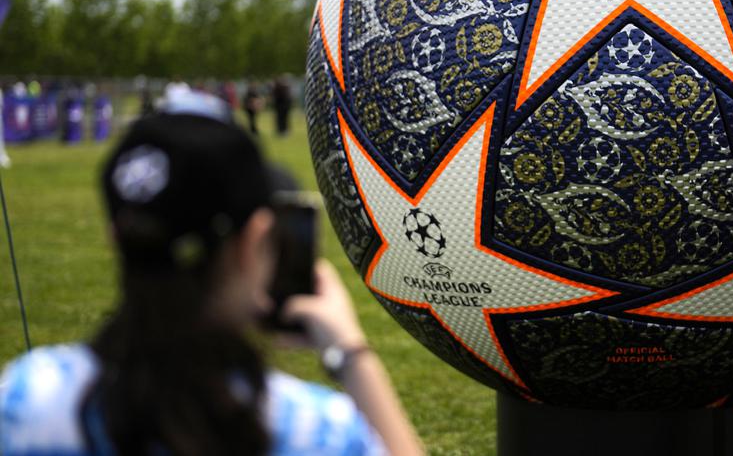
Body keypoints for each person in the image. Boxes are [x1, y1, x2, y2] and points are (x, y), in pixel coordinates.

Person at [0, 92, 424, 456]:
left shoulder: (27, 398)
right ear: (256, 242)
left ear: (118, 237)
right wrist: (351, 356)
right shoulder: (314, 431)